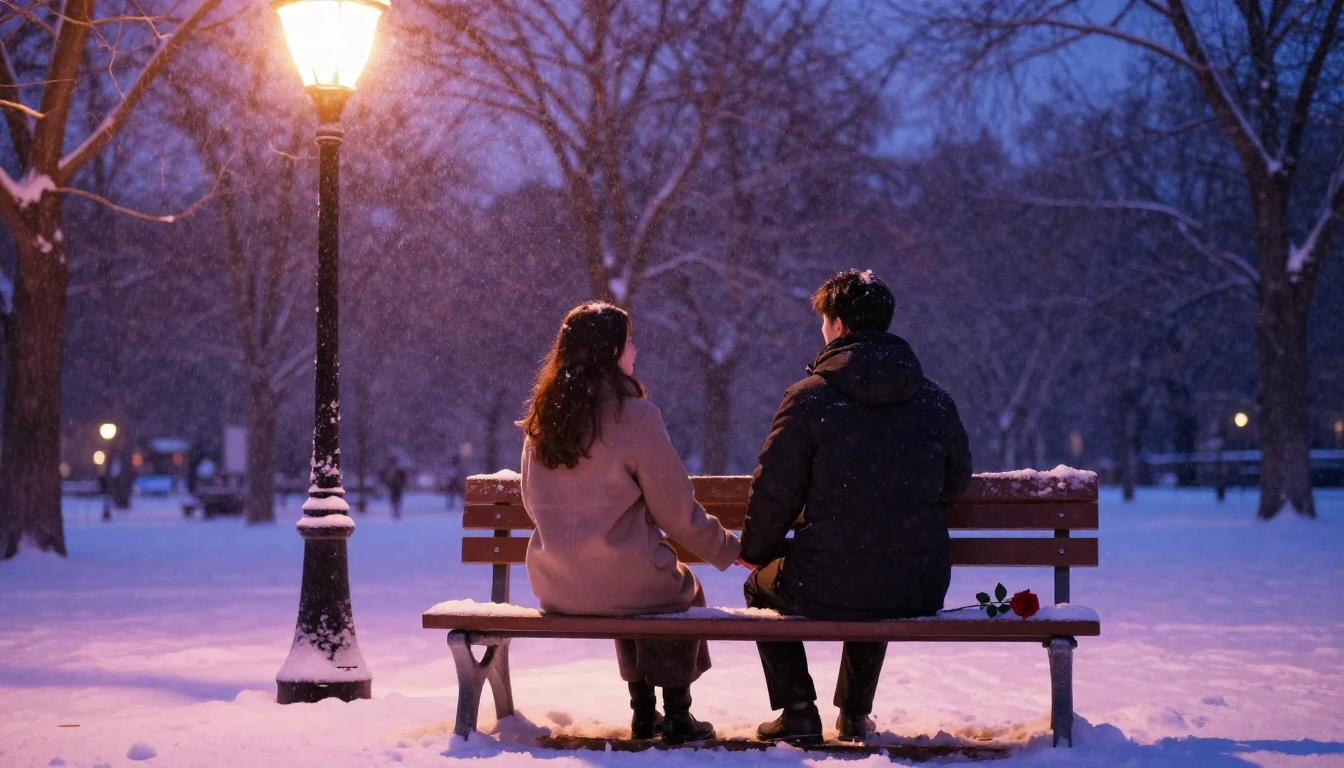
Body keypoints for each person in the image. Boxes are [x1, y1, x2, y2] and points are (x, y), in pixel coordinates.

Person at [740, 270, 973, 745]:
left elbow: (776, 488)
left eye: (825, 322)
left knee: (762, 588)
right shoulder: (934, 400)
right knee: (878, 567)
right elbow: (956, 481)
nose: (823, 331)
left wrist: (758, 551)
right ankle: (854, 713)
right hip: (917, 582)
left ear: (839, 326)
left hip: (826, 578)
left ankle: (798, 711)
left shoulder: (810, 399)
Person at [518, 301, 741, 745]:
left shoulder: (541, 422)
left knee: (633, 579)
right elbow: (676, 511)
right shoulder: (635, 416)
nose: (634, 351)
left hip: (555, 585)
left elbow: (531, 501)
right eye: (628, 342)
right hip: (624, 581)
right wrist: (729, 551)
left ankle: (642, 710)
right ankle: (677, 713)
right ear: (611, 351)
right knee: (679, 589)